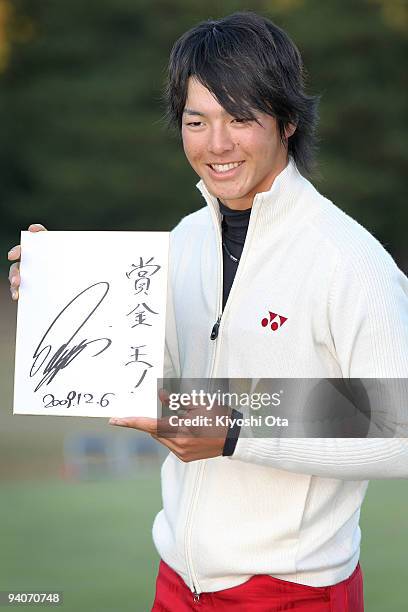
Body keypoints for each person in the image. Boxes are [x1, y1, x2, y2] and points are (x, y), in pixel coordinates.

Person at [8, 11, 408, 612]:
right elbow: (152, 385)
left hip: (295, 591)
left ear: (288, 121)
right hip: (177, 581)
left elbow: (398, 433)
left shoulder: (350, 260)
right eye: (197, 121)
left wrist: (235, 433)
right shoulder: (186, 239)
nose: (216, 144)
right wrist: (56, 299)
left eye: (241, 118)